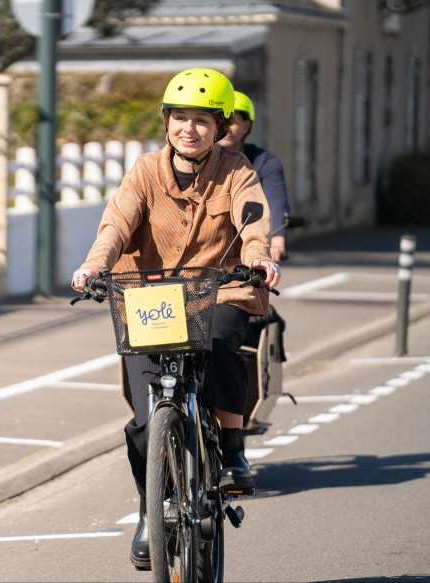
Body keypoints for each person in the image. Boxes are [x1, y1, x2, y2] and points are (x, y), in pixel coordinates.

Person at [70, 68, 280, 570]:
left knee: (224, 342)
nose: (189, 129)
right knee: (147, 422)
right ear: (166, 121)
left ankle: (232, 448)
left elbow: (253, 219)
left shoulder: (237, 171)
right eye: (180, 118)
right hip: (149, 297)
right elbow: (117, 223)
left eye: (202, 121)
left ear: (220, 127)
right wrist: (94, 265)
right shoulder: (144, 171)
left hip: (218, 290)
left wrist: (259, 256)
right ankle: (151, 511)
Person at [218, 90, 292, 262]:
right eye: (221, 120)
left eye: (233, 121)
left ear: (246, 126)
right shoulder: (198, 160)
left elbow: (275, 201)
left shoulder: (264, 161)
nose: (226, 127)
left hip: (246, 249)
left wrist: (277, 240)